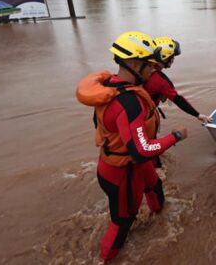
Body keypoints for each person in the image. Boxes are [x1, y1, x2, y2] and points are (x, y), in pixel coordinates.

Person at [76, 31, 188, 262]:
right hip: (121, 172)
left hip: (130, 166)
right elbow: (141, 150)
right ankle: (106, 260)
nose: (153, 71)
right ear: (135, 63)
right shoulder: (129, 102)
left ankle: (160, 219)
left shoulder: (110, 85)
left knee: (155, 187)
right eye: (150, 66)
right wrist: (175, 136)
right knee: (123, 221)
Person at [144, 36, 212, 124]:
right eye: (171, 57)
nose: (173, 59)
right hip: (145, 117)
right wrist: (198, 115)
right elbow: (178, 99)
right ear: (163, 57)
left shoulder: (141, 69)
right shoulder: (161, 81)